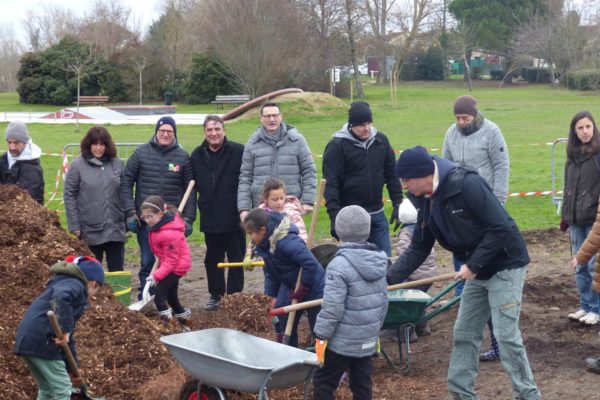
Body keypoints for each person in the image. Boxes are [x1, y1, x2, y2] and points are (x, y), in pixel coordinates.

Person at [388, 146, 540, 400]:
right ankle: (461, 394)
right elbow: (419, 246)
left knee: (505, 336)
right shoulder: (424, 197)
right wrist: (388, 279)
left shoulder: (466, 184)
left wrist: (474, 265)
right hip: (476, 267)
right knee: (465, 332)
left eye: (406, 180)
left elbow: (501, 227)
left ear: (424, 174)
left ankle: (528, 395)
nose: (404, 186)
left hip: (505, 263)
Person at [442, 95, 509, 361]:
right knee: (465, 277)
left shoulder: (491, 132)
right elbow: (445, 167)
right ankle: (469, 337)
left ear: (474, 115)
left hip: (485, 207)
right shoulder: (451, 133)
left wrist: (499, 203)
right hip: (460, 211)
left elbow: (501, 166)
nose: (461, 122)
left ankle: (498, 342)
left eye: (465, 118)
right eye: (457, 118)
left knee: (486, 276)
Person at [312, 205, 388, 400]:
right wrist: (374, 329)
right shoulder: (379, 261)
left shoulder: (338, 265)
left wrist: (321, 333)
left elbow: (333, 307)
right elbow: (383, 302)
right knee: (361, 384)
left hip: (342, 341)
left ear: (339, 232)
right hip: (367, 338)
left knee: (323, 382)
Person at [120, 116, 196, 298]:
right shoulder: (141, 153)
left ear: (174, 134)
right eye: (162, 130)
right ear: (156, 132)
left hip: (171, 222)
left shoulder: (182, 157)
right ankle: (145, 296)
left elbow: (190, 190)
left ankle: (165, 297)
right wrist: (130, 212)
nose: (165, 134)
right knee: (148, 260)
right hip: (147, 220)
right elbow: (126, 182)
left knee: (170, 262)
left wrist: (188, 218)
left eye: (170, 131)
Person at [14, 256, 104, 400]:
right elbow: (60, 298)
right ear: (93, 283)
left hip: (28, 339)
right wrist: (65, 330)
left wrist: (74, 368)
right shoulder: (76, 285)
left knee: (47, 390)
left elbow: (68, 339)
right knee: (63, 389)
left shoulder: (63, 284)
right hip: (43, 341)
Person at [323, 101, 403, 257]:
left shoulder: (381, 141)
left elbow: (392, 175)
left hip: (377, 214)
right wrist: (335, 217)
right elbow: (331, 185)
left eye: (368, 123)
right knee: (354, 263)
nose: (366, 128)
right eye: (361, 125)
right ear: (351, 125)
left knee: (384, 260)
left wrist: (398, 203)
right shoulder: (337, 147)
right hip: (352, 218)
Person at [243, 208, 325, 347]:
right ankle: (291, 352)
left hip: (313, 285)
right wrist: (270, 297)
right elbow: (272, 274)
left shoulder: (286, 241)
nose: (250, 237)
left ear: (263, 230)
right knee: (284, 316)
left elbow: (310, 264)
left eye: (252, 233)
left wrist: (304, 287)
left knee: (319, 327)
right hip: (291, 284)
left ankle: (326, 360)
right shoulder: (265, 244)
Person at [190, 115, 245, 311]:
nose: (213, 134)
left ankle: (235, 296)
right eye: (209, 130)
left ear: (224, 131)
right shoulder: (196, 155)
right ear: (204, 132)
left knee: (236, 257)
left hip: (235, 217)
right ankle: (216, 294)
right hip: (210, 215)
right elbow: (191, 185)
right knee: (213, 258)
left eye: (217, 129)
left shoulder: (239, 152)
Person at [237, 102, 316, 221]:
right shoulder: (252, 144)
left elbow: (309, 170)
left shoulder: (297, 141)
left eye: (275, 115)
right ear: (261, 119)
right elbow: (245, 177)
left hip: (289, 206)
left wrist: (308, 201)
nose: (271, 119)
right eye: (267, 116)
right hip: (261, 208)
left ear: (281, 117)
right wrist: (243, 209)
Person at [64, 126, 126, 272]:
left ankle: (117, 296)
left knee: (117, 272)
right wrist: (75, 225)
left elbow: (125, 192)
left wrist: (128, 216)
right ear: (88, 145)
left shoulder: (117, 164)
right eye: (95, 144)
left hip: (115, 229)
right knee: (90, 274)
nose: (99, 148)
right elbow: (69, 195)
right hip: (90, 230)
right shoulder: (77, 166)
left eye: (102, 144)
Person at [561, 111, 600, 326]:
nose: (585, 131)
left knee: (594, 265)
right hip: (575, 218)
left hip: (594, 220)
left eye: (588, 127)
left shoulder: (598, 155)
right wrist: (565, 215)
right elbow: (568, 187)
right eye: (580, 128)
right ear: (574, 131)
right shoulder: (572, 157)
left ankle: (596, 308)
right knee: (579, 265)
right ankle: (585, 304)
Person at [141, 195, 192, 325]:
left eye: (150, 216)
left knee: (159, 296)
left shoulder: (170, 233)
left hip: (177, 266)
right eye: (144, 217)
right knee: (172, 297)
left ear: (160, 214)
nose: (147, 220)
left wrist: (156, 276)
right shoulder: (158, 225)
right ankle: (184, 322)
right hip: (169, 263)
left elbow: (171, 261)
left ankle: (169, 325)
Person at [1, 121, 44, 204]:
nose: (12, 147)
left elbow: (32, 200)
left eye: (17, 143)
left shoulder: (32, 167)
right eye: (9, 142)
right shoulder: (3, 159)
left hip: (23, 213)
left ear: (25, 142)